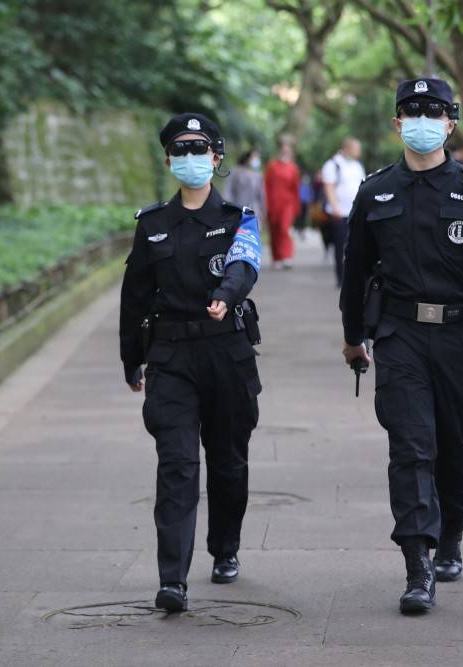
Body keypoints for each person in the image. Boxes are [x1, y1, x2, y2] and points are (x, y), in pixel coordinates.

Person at [340, 78, 463, 615]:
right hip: (400, 337)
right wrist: (353, 337)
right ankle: (417, 565)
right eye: (412, 112)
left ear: (450, 123)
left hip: (461, 337)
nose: (422, 121)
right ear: (397, 123)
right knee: (411, 447)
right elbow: (355, 272)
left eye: (433, 112)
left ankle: (452, 533)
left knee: (459, 448)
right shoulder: (375, 191)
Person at [120, 112, 264, 613]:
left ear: (215, 157)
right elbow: (134, 296)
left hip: (227, 354)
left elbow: (245, 264)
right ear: (168, 161)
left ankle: (225, 548)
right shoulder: (153, 224)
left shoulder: (239, 218)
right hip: (172, 359)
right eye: (179, 150)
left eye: (198, 149)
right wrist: (131, 359)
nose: (189, 158)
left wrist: (227, 294)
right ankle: (172, 579)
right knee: (177, 466)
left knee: (228, 463)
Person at [321, 137, 366, 288]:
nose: (358, 152)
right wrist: (335, 207)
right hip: (339, 213)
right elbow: (329, 187)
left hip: (355, 212)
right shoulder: (333, 164)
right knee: (341, 246)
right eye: (356, 149)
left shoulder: (357, 165)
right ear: (347, 148)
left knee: (356, 246)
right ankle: (341, 278)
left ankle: (355, 277)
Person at [264, 137, 301, 269]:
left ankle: (286, 257)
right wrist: (265, 204)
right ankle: (277, 258)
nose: (285, 152)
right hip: (272, 202)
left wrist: (296, 206)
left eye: (287, 150)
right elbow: (266, 185)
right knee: (274, 230)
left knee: (284, 229)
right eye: (283, 149)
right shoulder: (272, 166)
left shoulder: (293, 168)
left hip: (287, 203)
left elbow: (295, 188)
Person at [223, 149, 265, 216]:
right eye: (254, 157)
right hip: (238, 208)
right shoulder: (235, 172)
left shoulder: (258, 175)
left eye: (257, 158)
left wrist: (263, 211)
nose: (256, 160)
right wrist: (227, 207)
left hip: (254, 211)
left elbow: (261, 195)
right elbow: (228, 191)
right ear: (247, 159)